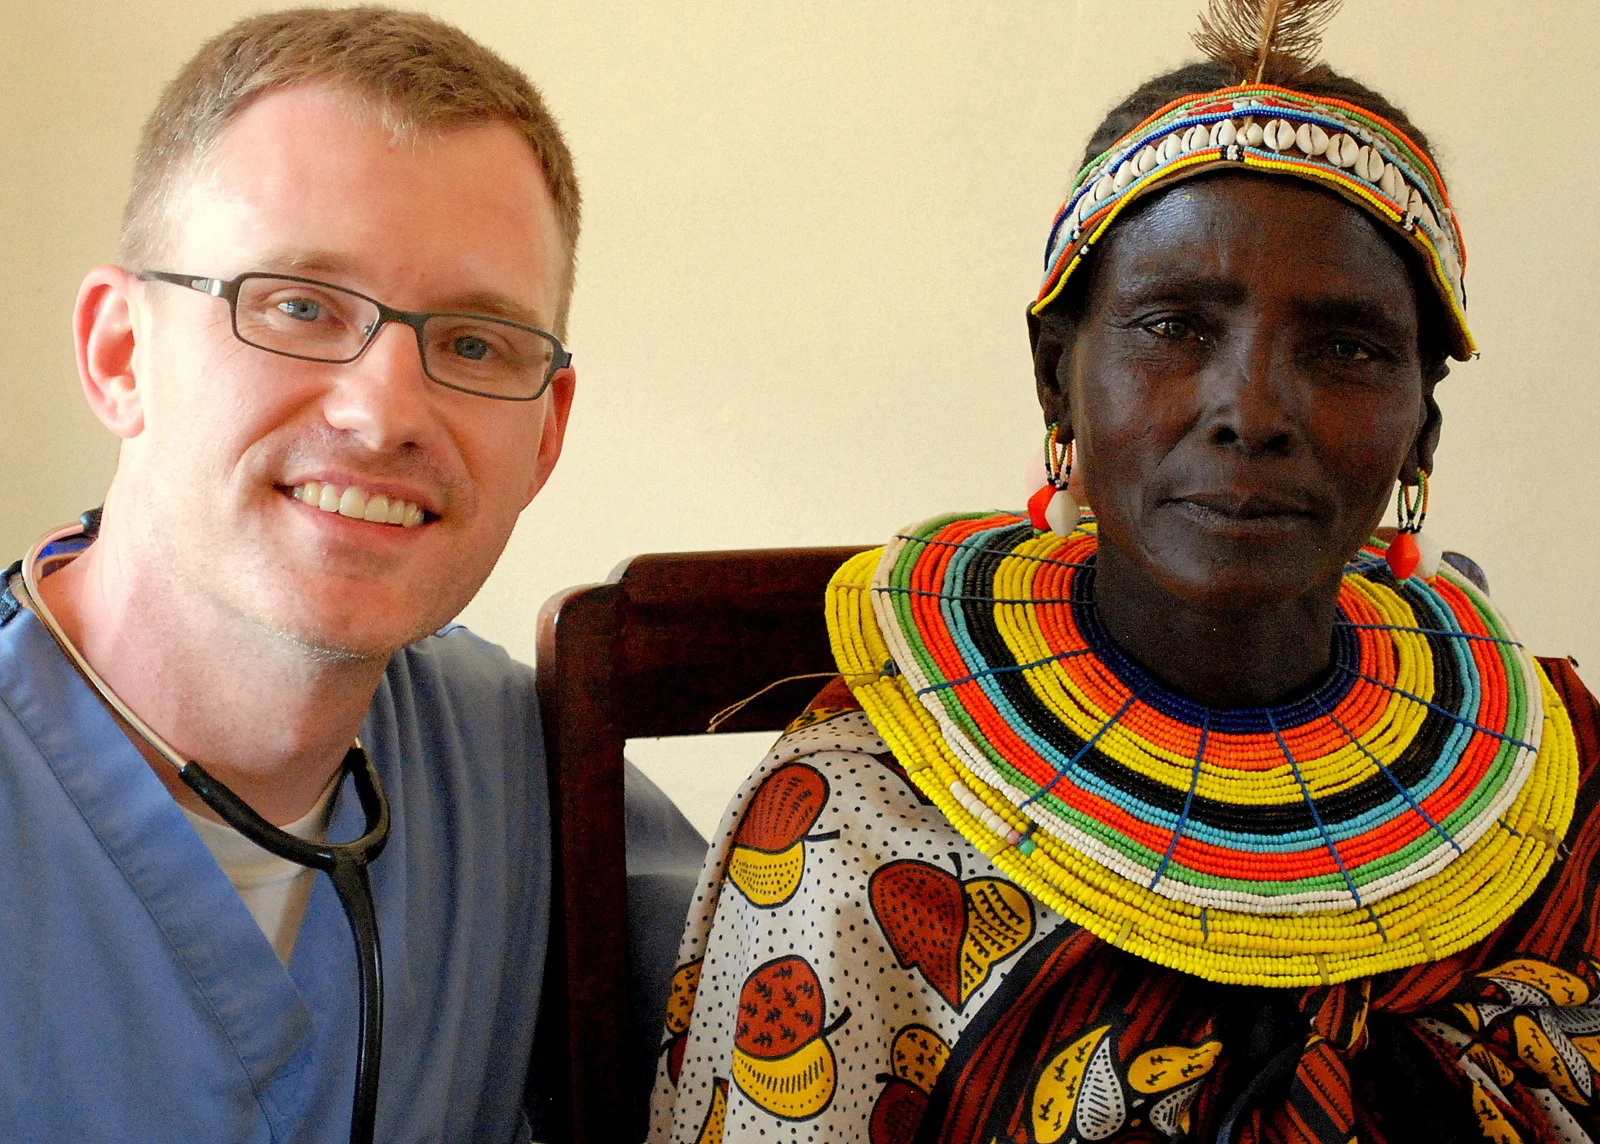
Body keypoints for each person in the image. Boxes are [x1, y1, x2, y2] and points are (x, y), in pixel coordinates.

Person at [647, 6, 1600, 1143]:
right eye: (1175, 326)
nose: (1250, 411)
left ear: (1422, 432)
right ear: (1058, 383)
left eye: (1345, 346)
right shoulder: (850, 824)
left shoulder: (1560, 775)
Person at [0, 8, 705, 1143]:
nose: (382, 413)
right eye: (295, 305)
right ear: (120, 353)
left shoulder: (528, 772)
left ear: (545, 437)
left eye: (476, 343)